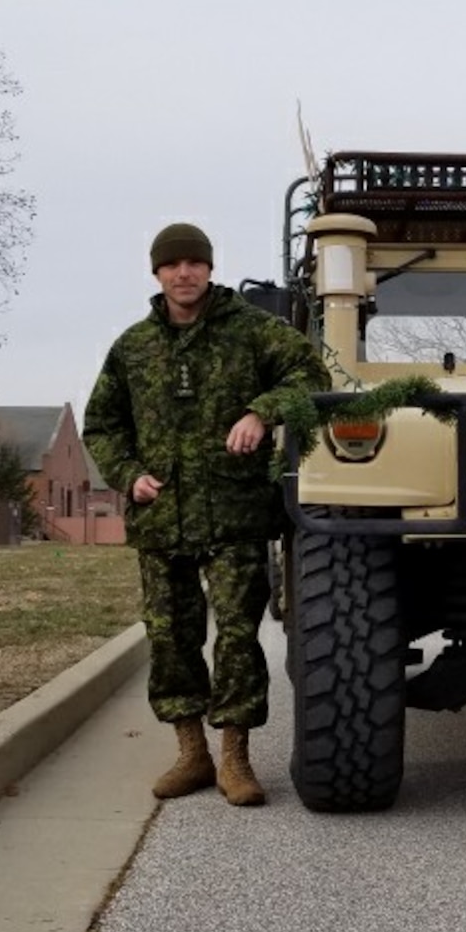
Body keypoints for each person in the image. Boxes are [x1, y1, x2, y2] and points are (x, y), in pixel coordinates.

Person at [84, 222, 329, 806]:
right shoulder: (133, 347)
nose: (184, 273)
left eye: (194, 262)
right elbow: (102, 424)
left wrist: (262, 413)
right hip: (162, 516)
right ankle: (191, 753)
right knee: (170, 638)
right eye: (172, 265)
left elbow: (311, 377)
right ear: (157, 274)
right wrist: (126, 475)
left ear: (210, 268)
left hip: (236, 514)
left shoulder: (252, 331)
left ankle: (235, 759)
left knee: (239, 637)